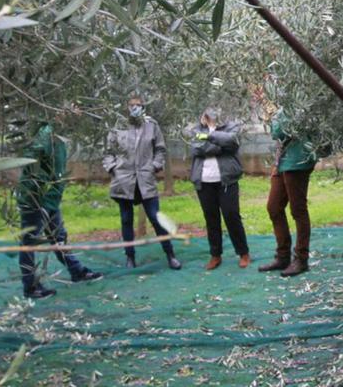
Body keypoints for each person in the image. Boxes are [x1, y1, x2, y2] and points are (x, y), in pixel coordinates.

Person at [17, 120, 102, 299]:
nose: (78, 115)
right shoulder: (46, 134)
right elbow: (33, 160)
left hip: (50, 200)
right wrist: (39, 197)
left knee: (58, 237)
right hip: (37, 200)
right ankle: (31, 287)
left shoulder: (57, 136)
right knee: (29, 243)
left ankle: (76, 271)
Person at [102, 95, 181, 270]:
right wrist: (113, 168)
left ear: (143, 107)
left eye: (138, 105)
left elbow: (160, 149)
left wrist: (154, 166)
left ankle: (170, 255)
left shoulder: (152, 125)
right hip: (124, 181)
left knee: (156, 218)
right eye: (132, 105)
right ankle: (130, 257)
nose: (135, 108)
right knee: (126, 220)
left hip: (145, 180)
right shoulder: (118, 126)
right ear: (126, 107)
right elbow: (108, 152)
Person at [188, 107, 250, 270]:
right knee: (211, 218)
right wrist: (219, 146)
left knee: (232, 216)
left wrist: (208, 137)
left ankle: (243, 252)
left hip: (227, 180)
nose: (210, 112)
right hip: (204, 181)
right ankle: (215, 255)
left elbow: (232, 142)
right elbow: (195, 148)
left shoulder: (231, 126)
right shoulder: (196, 129)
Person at [258, 110, 318, 277]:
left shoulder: (299, 105)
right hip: (282, 162)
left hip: (297, 162)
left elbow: (278, 132)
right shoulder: (283, 108)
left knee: (298, 210)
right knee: (274, 207)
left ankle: (301, 259)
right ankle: (283, 257)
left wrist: (272, 117)